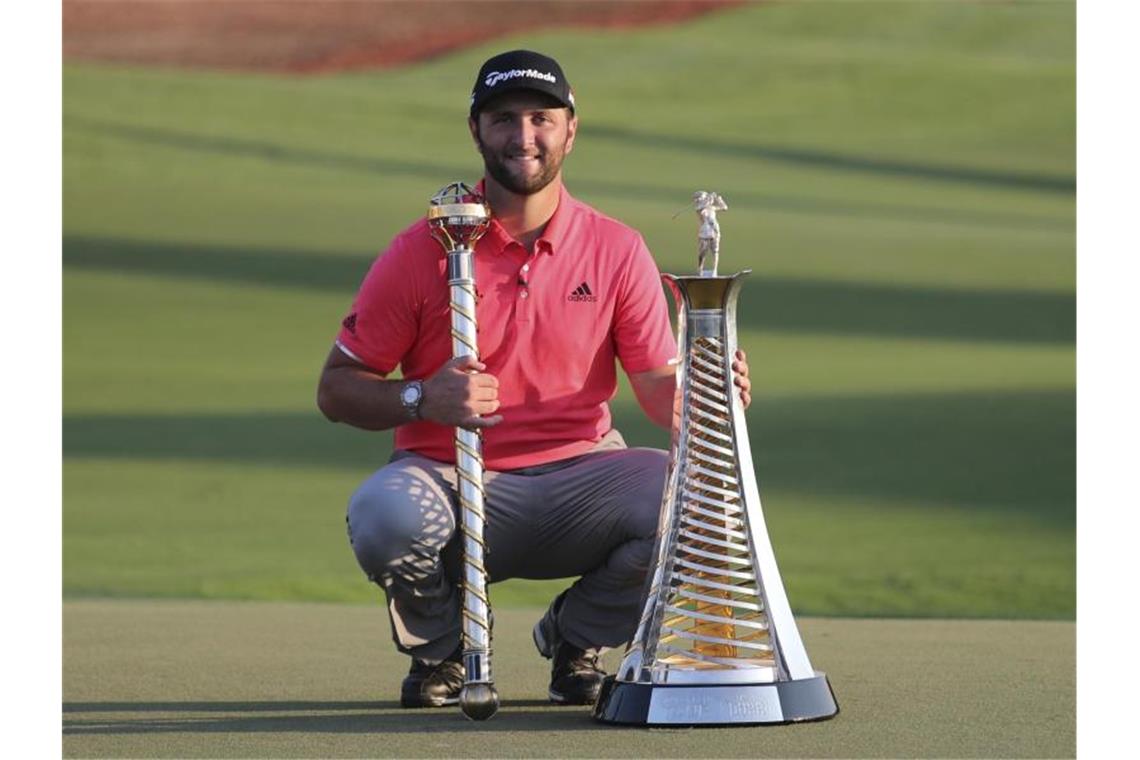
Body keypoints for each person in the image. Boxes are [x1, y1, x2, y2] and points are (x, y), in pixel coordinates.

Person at [316, 49, 751, 709]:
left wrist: (710, 397)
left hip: (581, 478)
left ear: (570, 130)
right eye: (504, 119)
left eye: (542, 118)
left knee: (692, 500)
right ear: (475, 130)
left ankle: (577, 638)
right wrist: (421, 397)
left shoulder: (616, 248)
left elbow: (658, 386)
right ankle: (444, 652)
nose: (524, 136)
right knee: (384, 516)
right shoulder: (422, 250)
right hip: (449, 478)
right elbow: (337, 388)